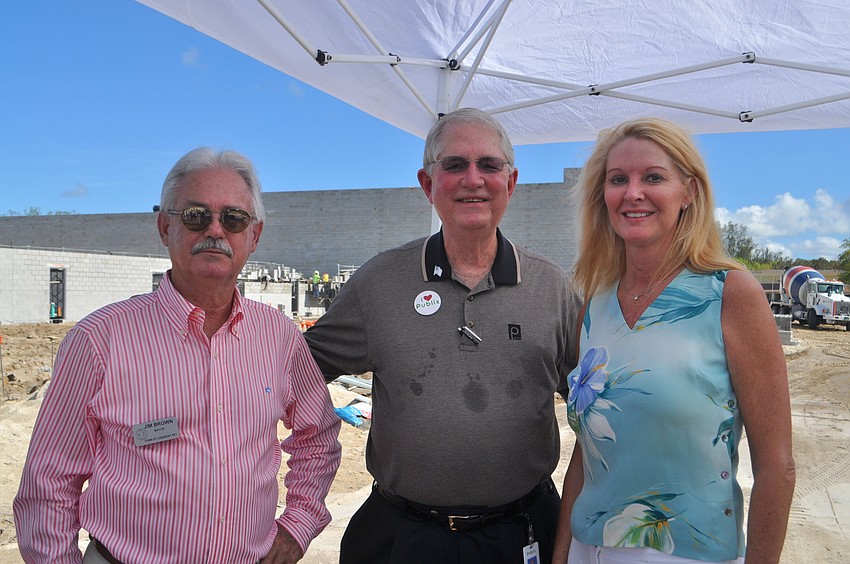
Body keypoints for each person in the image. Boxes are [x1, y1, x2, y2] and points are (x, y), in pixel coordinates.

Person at [14, 147, 341, 564]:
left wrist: (297, 527)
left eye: (233, 218)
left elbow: (319, 437)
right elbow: (49, 483)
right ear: (164, 226)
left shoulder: (279, 336)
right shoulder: (100, 340)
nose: (216, 231)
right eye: (196, 216)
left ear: (254, 236)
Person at [304, 107, 582, 563]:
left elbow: (601, 408)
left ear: (510, 183)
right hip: (404, 536)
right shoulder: (379, 283)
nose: (473, 179)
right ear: (427, 183)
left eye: (489, 165)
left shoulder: (552, 288)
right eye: (454, 165)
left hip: (523, 533)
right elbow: (293, 372)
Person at [552, 118, 795, 563]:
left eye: (653, 177)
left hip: (690, 554)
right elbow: (588, 458)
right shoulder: (594, 305)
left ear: (689, 193)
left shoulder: (729, 294)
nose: (633, 193)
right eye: (618, 179)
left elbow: (777, 467)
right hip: (591, 549)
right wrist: (562, 552)